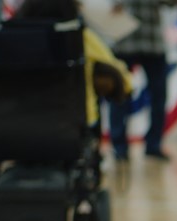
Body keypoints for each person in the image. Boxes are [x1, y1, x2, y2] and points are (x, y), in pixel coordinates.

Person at [12, 0, 132, 131]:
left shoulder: (8, 41)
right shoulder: (81, 39)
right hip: (71, 127)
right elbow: (123, 80)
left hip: (14, 125)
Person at [108, 0, 174, 162]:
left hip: (153, 43)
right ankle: (119, 147)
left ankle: (154, 145)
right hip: (124, 42)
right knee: (118, 95)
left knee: (159, 97)